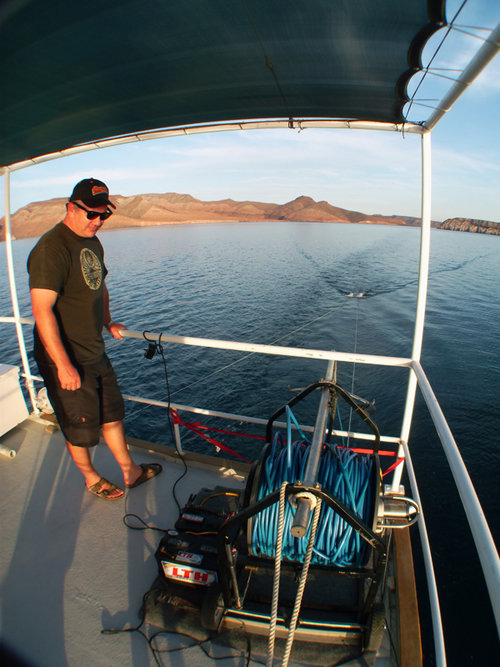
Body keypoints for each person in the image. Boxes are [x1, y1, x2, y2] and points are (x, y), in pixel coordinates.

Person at [27, 178, 162, 500]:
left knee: (112, 414)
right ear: (71, 208)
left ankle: (129, 471)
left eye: (104, 215)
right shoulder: (51, 248)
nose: (98, 221)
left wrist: (107, 321)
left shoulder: (92, 242)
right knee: (80, 427)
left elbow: (98, 285)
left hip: (93, 349)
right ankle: (91, 477)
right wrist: (63, 365)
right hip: (65, 355)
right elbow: (41, 310)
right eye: (91, 214)